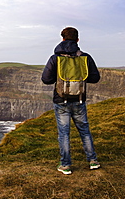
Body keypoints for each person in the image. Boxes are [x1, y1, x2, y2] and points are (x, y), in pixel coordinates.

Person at [41, 27, 101, 175]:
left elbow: (46, 79)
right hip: (79, 99)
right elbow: (95, 78)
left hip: (61, 100)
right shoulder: (85, 57)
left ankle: (66, 165)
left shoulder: (55, 58)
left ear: (62, 39)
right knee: (84, 131)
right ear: (77, 40)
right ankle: (93, 161)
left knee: (64, 134)